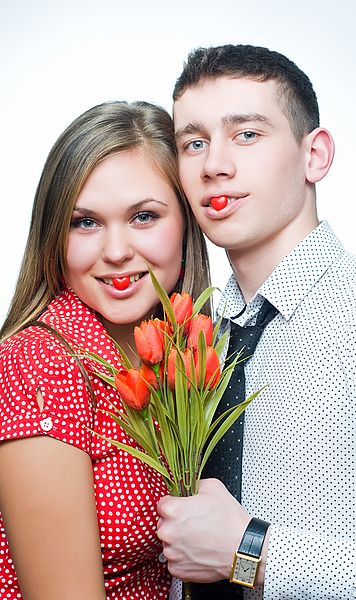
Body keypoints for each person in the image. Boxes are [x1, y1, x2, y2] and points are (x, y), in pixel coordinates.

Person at [157, 45, 356, 599]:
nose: (213, 164)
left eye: (247, 134)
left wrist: (252, 552)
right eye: (194, 142)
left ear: (315, 156)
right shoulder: (196, 336)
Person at [0, 100, 211, 599]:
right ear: (55, 236)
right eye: (86, 222)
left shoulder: (186, 353)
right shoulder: (39, 364)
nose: (115, 251)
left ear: (186, 222)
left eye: (143, 216)